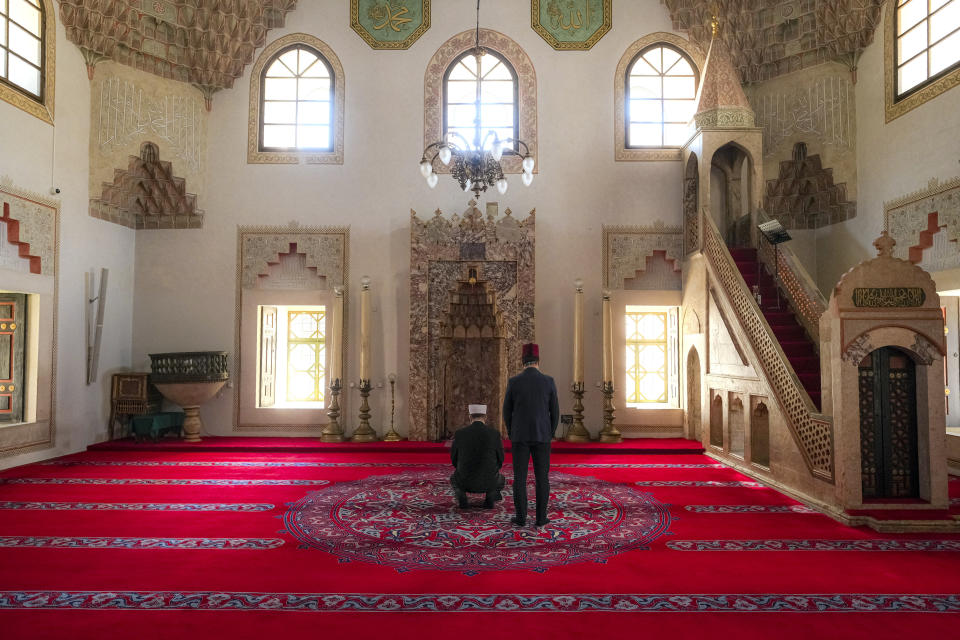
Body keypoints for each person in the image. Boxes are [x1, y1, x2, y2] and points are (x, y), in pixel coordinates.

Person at [502, 343, 559, 527]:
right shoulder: (548, 381)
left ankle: (520, 517)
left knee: (520, 477)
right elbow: (555, 412)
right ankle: (541, 518)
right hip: (542, 435)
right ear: (538, 360)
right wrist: (549, 433)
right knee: (542, 478)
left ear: (522, 361)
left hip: (520, 436)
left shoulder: (514, 382)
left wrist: (512, 431)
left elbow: (506, 411)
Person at [450, 404, 505, 509]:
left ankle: (462, 497)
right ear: (485, 417)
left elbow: (454, 459)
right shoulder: (494, 434)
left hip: (465, 481)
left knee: (453, 479)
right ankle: (490, 497)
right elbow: (501, 459)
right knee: (501, 479)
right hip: (489, 481)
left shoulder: (460, 433)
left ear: (470, 417)